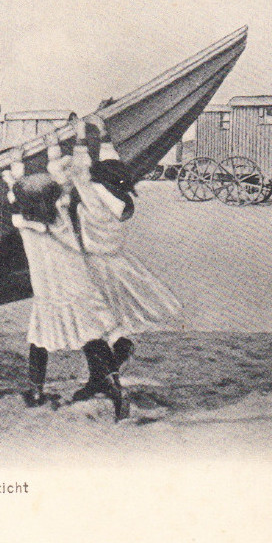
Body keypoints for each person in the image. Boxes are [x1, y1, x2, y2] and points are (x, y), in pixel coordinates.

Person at [2, 128, 128, 421]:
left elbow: (14, 197)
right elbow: (62, 183)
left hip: (49, 295)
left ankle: (35, 391)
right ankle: (115, 388)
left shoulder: (22, 224)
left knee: (39, 340)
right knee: (92, 337)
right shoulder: (61, 217)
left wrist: (15, 166)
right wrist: (53, 149)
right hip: (77, 289)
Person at [64, 114, 182, 402]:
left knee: (90, 327)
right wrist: (103, 135)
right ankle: (110, 364)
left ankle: (106, 380)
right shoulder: (122, 199)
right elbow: (113, 165)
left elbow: (79, 172)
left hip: (93, 266)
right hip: (119, 265)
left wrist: (80, 135)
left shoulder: (93, 196)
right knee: (111, 322)